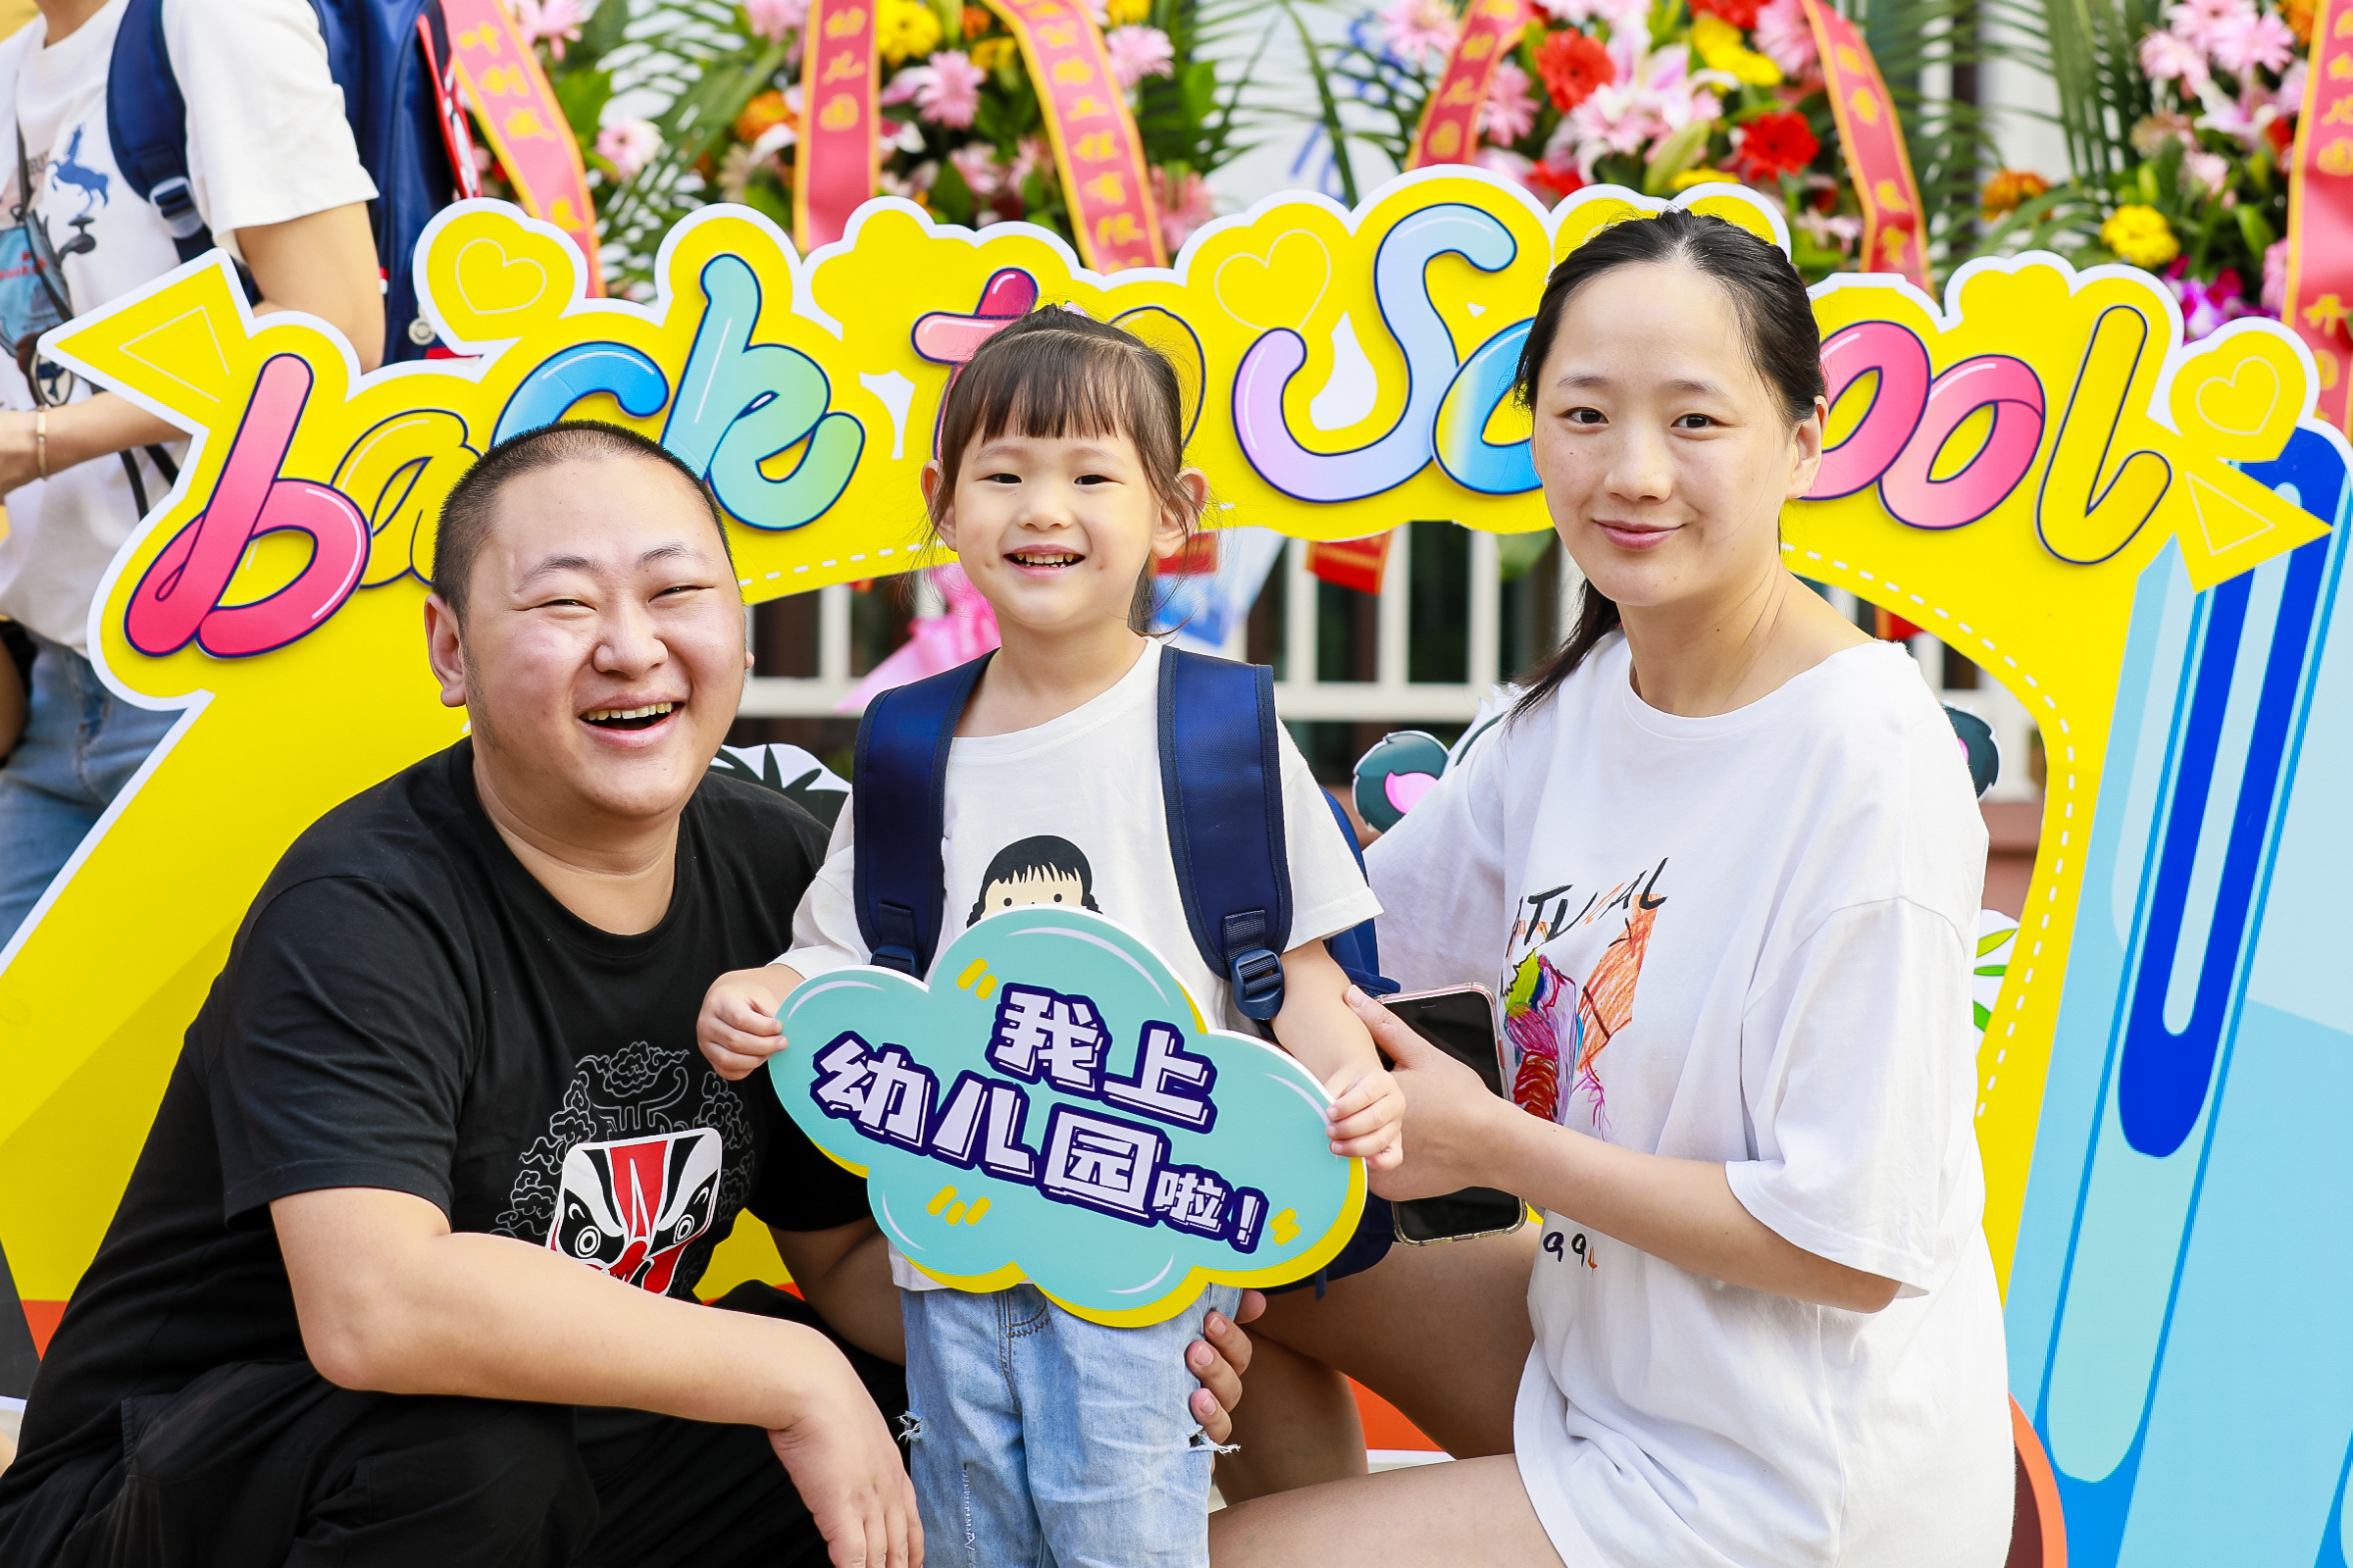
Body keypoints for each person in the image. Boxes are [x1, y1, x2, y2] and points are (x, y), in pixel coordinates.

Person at [0, 422, 1256, 1568]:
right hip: (172, 1491)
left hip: (566, 1464)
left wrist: (1089, 1324)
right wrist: (788, 1370)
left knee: (912, 1401)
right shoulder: (363, 902)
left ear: (741, 631)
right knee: (475, 1456)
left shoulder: (787, 877)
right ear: (449, 649)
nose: (630, 646)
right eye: (562, 602)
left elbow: (843, 1256)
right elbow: (375, 1311)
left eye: (675, 593)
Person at [1211, 210, 2013, 1566]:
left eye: (1694, 420)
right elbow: (1348, 950)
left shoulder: (1864, 761)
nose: (1632, 472)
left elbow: (1852, 1245)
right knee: (1222, 1229)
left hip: (1786, 1488)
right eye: (1583, 414)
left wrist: (1493, 1144)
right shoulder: (1568, 712)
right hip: (1610, 1361)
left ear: (1799, 443)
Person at [696, 309, 1406, 1568]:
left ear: (1173, 512)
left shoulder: (1217, 729)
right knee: (967, 1520)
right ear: (941, 502)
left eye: (1090, 476)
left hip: (1143, 1225)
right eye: (1005, 474)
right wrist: (768, 990)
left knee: (1119, 1524)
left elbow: (1291, 972)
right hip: (952, 1219)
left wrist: (1347, 1094)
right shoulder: (908, 743)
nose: (1044, 509)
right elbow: (845, 956)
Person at [0, 0, 384, 946]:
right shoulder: (13, 70)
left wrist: (38, 441)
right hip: (58, 682)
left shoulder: (212, 18)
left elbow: (333, 325)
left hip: (223, 662)